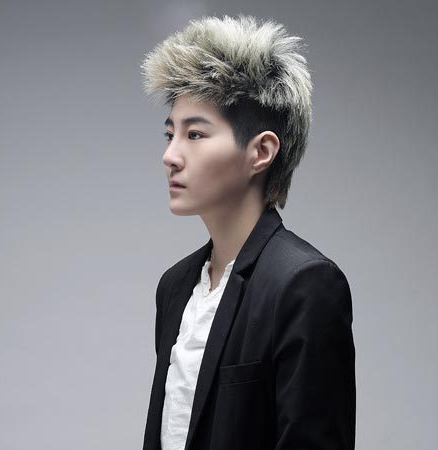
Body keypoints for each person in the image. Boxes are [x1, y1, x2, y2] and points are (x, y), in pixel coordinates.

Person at [140, 14, 356, 450]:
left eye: (195, 134)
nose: (170, 155)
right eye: (169, 134)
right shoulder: (176, 286)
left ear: (261, 151)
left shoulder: (304, 284)